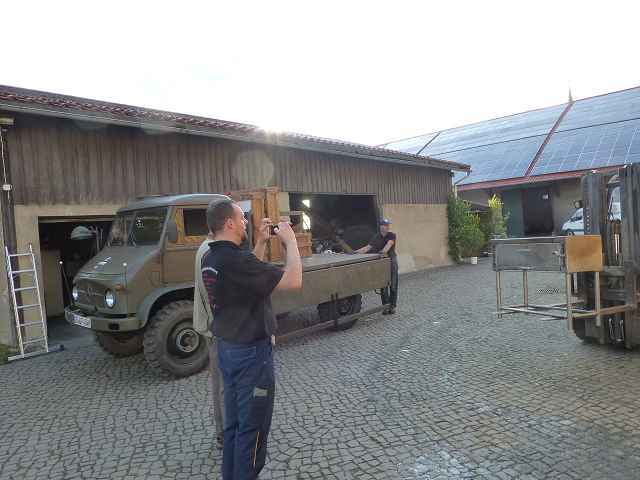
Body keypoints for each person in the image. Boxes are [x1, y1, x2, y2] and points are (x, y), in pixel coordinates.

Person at [201, 199, 302, 480]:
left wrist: (259, 243)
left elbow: (246, 278)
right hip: (251, 356)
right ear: (229, 223)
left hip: (228, 350)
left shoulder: (210, 258)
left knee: (234, 427)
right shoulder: (237, 261)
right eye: (241, 218)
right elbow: (293, 281)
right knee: (252, 430)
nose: (246, 221)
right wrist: (291, 242)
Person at [193, 232, 225, 451]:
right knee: (222, 385)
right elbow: (214, 297)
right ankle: (224, 433)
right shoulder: (210, 252)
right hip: (217, 329)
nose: (244, 223)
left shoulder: (207, 248)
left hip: (215, 326)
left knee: (221, 382)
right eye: (240, 219)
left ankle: (225, 430)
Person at [355, 218, 398, 314]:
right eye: (385, 225)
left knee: (393, 284)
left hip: (391, 260)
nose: (387, 227)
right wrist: (355, 252)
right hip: (381, 261)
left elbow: (389, 245)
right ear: (381, 227)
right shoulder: (376, 237)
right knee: (383, 285)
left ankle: (392, 306)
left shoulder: (392, 235)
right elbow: (367, 247)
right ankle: (385, 306)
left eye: (387, 225)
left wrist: (382, 252)